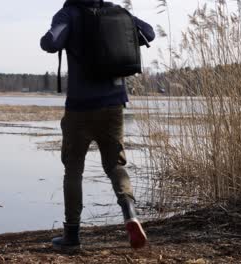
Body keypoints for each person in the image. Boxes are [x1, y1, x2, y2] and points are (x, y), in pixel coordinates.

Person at [40, 0, 155, 251]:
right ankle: (130, 214)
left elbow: (52, 42)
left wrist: (47, 37)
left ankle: (72, 235)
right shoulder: (117, 11)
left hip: (80, 107)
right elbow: (149, 32)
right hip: (114, 104)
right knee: (115, 165)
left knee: (73, 170)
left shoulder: (68, 13)